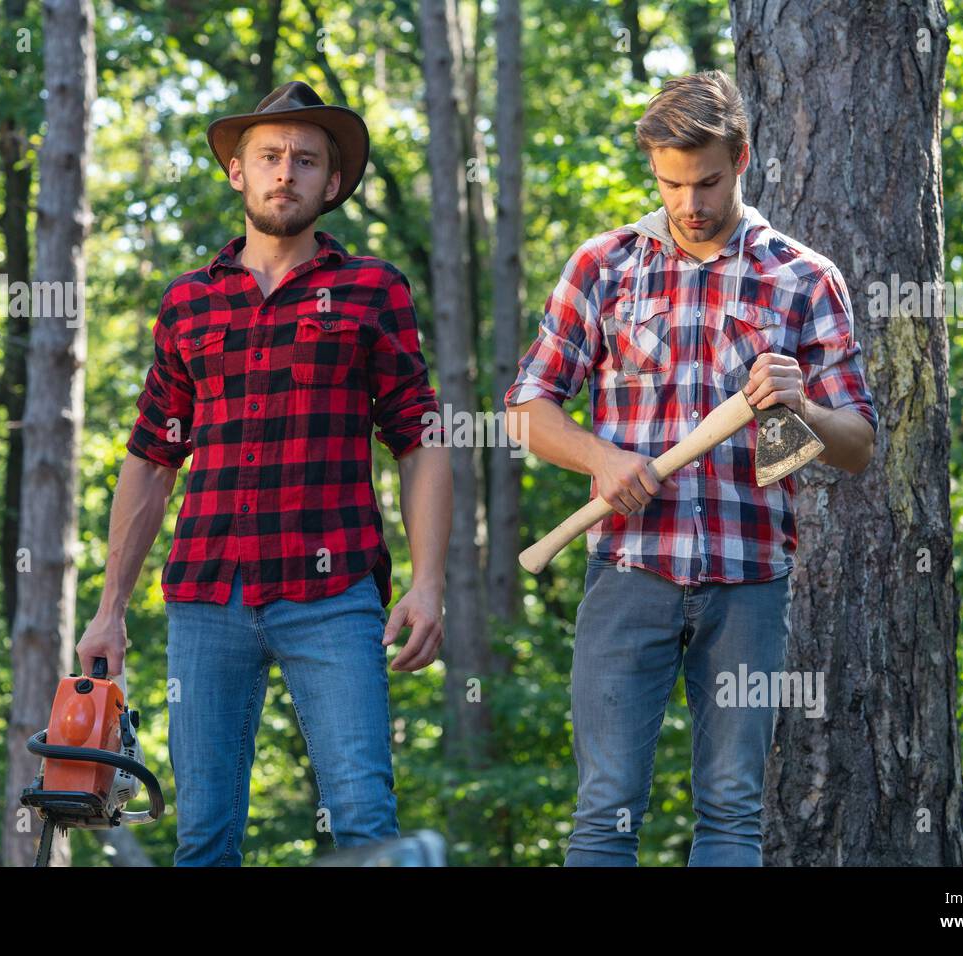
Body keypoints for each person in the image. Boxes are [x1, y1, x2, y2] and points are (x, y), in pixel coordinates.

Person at [505, 70, 878, 866]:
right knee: (604, 812)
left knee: (734, 812)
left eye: (706, 180)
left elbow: (858, 444)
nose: (689, 203)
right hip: (628, 571)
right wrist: (602, 458)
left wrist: (803, 408)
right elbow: (527, 407)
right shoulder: (604, 266)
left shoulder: (804, 278)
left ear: (741, 157)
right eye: (670, 183)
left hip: (749, 581)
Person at [77, 81, 452, 865]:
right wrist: (110, 608)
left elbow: (420, 438)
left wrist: (427, 584)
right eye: (270, 156)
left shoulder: (371, 290)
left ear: (333, 183)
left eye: (307, 160)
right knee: (204, 837)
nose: (287, 172)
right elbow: (151, 459)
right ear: (237, 172)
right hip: (205, 597)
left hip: (334, 594)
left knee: (365, 821)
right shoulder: (186, 304)